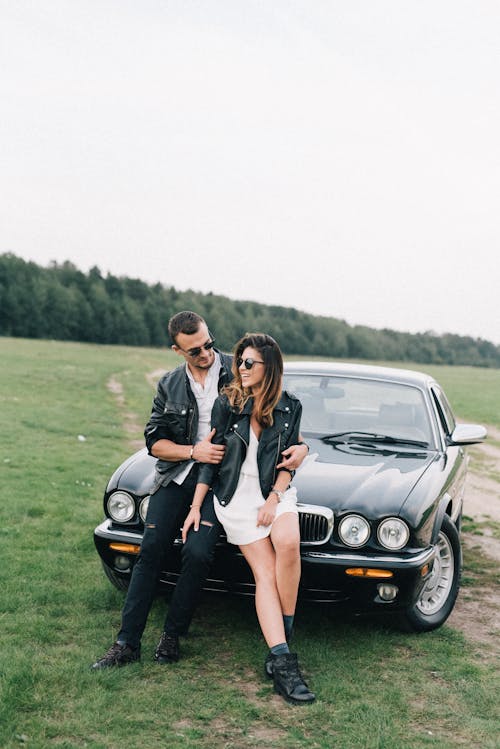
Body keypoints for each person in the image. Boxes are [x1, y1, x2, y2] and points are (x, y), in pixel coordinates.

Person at [92, 312, 308, 669]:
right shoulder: (170, 385)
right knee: (151, 550)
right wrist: (194, 451)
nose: (207, 353)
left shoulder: (238, 367)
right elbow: (154, 442)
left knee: (197, 551)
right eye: (195, 350)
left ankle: (172, 635)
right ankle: (126, 643)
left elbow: (281, 422)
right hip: (178, 476)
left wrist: (302, 449)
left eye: (209, 343)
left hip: (221, 482)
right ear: (178, 350)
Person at [182, 333, 315, 704]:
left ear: (268, 368)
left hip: (275, 492)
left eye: (248, 363)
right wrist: (196, 506)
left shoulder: (290, 407)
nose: (239, 367)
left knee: (289, 543)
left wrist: (275, 496)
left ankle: (281, 638)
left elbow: (290, 463)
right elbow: (211, 461)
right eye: (240, 360)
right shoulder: (228, 405)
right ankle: (283, 659)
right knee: (266, 571)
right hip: (237, 499)